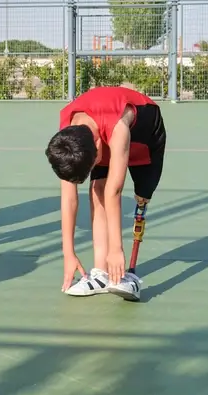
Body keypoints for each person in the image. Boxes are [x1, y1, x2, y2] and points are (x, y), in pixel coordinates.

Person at [44, 85, 166, 302]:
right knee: (96, 189)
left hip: (146, 134)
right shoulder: (68, 136)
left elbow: (115, 191)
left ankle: (128, 275)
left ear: (98, 144)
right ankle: (100, 274)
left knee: (141, 196)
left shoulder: (118, 127)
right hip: (101, 127)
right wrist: (68, 253)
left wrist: (116, 250)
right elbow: (69, 198)